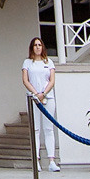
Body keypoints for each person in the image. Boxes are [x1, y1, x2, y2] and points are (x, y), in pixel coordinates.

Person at [23, 38, 61, 171]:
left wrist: (43, 93)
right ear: (32, 48)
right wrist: (36, 93)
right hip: (34, 98)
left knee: (49, 129)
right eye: (35, 45)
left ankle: (51, 160)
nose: (38, 47)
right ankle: (36, 160)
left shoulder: (48, 62)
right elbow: (25, 80)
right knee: (36, 129)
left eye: (40, 45)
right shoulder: (27, 62)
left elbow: (52, 80)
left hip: (48, 98)